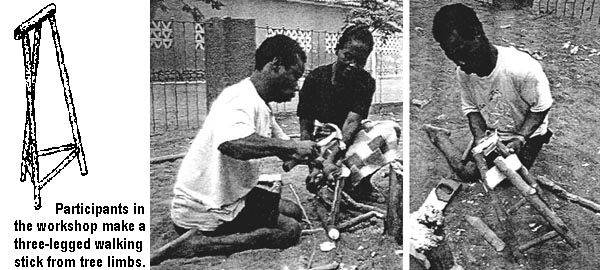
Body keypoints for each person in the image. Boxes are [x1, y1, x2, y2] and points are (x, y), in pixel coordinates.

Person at [162, 35, 319, 263]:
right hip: (204, 206)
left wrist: (315, 158)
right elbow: (233, 145)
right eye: (294, 75)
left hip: (228, 195)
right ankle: (198, 244)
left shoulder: (261, 104)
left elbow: (287, 151)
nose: (296, 85)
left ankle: (218, 230)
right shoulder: (239, 98)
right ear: (274, 65)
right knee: (290, 230)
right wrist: (293, 146)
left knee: (293, 210)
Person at [425, 3, 553, 181]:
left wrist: (521, 138)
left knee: (511, 177)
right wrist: (479, 139)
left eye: (463, 50)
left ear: (477, 33)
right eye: (451, 55)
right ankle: (440, 137)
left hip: (526, 134)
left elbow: (541, 107)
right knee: (470, 174)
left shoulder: (521, 68)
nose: (460, 62)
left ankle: (441, 138)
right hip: (493, 134)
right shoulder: (463, 72)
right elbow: (472, 109)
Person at [297, 24, 400, 202]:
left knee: (390, 130)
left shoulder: (365, 82)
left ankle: (359, 183)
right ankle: (331, 181)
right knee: (322, 177)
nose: (353, 64)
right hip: (323, 138)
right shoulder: (315, 78)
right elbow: (305, 129)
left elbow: (352, 123)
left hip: (349, 137)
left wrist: (334, 156)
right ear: (337, 50)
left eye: (360, 61)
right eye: (348, 56)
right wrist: (314, 164)